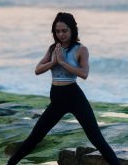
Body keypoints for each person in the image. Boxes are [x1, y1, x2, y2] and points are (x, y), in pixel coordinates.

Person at [7, 12, 120, 165]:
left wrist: (63, 62)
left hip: (74, 97)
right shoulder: (53, 48)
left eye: (64, 30)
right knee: (34, 138)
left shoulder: (81, 49)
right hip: (57, 100)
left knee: (96, 139)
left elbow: (84, 73)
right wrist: (53, 62)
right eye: (57, 31)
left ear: (72, 29)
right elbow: (37, 70)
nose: (61, 34)